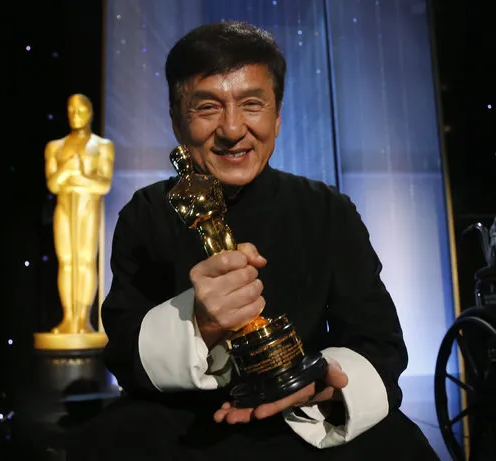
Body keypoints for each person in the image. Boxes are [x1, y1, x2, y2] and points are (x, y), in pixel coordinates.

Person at [66, 22, 438, 460]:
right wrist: (200, 324)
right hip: (181, 422)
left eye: (251, 104)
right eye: (207, 107)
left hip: (310, 418)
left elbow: (379, 342)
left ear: (277, 116)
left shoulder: (327, 209)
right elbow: (126, 354)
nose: (232, 128)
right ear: (175, 119)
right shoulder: (146, 213)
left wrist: (323, 380)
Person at [44, 94, 114, 334]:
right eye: (71, 110)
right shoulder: (56, 146)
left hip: (87, 205)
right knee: (66, 262)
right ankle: (68, 318)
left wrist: (81, 175)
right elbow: (53, 184)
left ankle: (83, 318)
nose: (75, 115)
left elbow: (103, 185)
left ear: (90, 112)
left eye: (81, 109)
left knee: (84, 261)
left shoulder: (102, 146)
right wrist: (67, 169)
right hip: (64, 206)